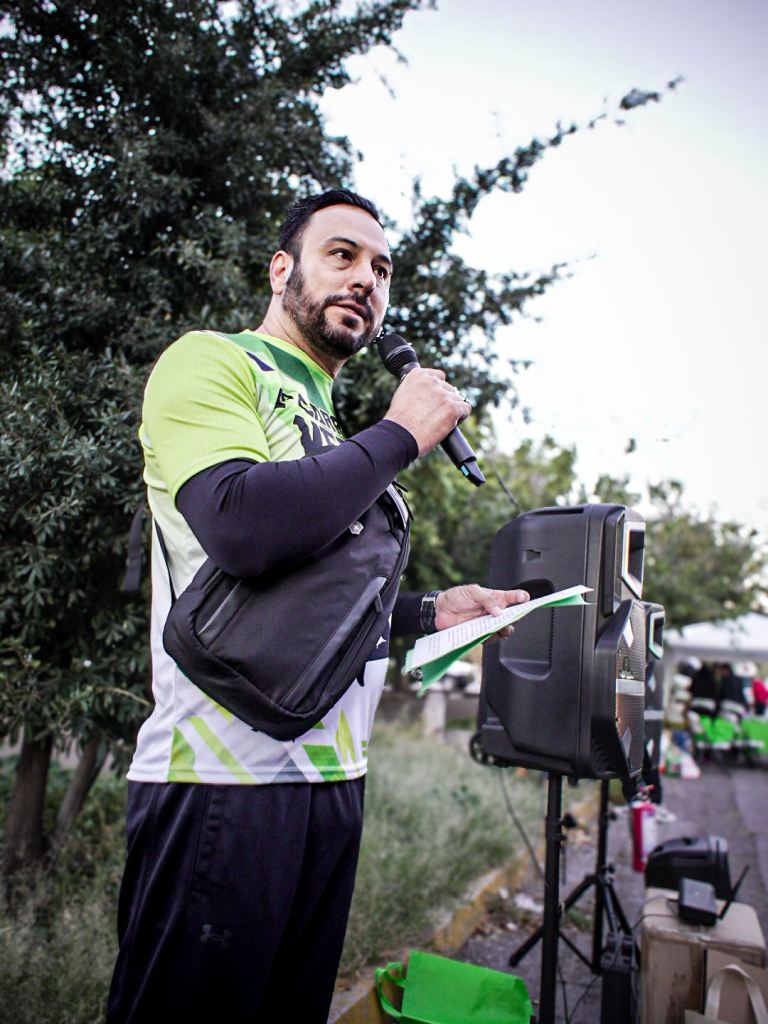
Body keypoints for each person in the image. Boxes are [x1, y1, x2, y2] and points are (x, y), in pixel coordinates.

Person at [106, 188, 530, 1023]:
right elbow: (242, 526)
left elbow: (313, 603)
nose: (367, 278)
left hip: (336, 780)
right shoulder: (215, 363)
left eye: (383, 269)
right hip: (223, 778)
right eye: (342, 254)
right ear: (282, 269)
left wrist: (429, 613)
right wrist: (400, 435)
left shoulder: (336, 434)